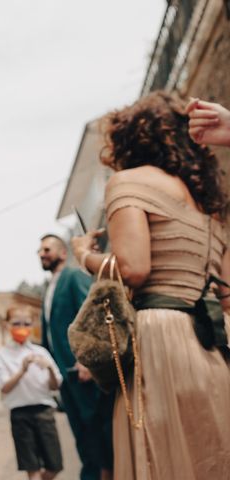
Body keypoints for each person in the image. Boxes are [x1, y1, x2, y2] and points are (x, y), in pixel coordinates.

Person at [72, 91, 230, 478]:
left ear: (129, 138)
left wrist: (84, 256)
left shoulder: (128, 182)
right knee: (209, 453)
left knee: (158, 457)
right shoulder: (207, 204)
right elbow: (225, 294)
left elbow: (134, 268)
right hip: (209, 344)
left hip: (157, 338)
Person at [38, 234, 113, 480]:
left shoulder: (73, 277)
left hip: (81, 369)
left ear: (62, 253)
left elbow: (89, 313)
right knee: (80, 432)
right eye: (39, 251)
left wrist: (86, 360)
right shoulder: (48, 288)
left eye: (47, 249)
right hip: (63, 374)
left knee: (95, 430)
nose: (41, 254)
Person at [0, 306, 63, 480]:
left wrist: (50, 370)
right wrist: (22, 370)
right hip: (20, 415)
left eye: (26, 323)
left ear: (33, 326)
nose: (21, 327)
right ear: (6, 325)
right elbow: (4, 388)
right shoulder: (2, 355)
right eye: (16, 323)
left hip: (45, 412)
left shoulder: (41, 352)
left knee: (54, 466)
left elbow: (55, 386)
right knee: (32, 469)